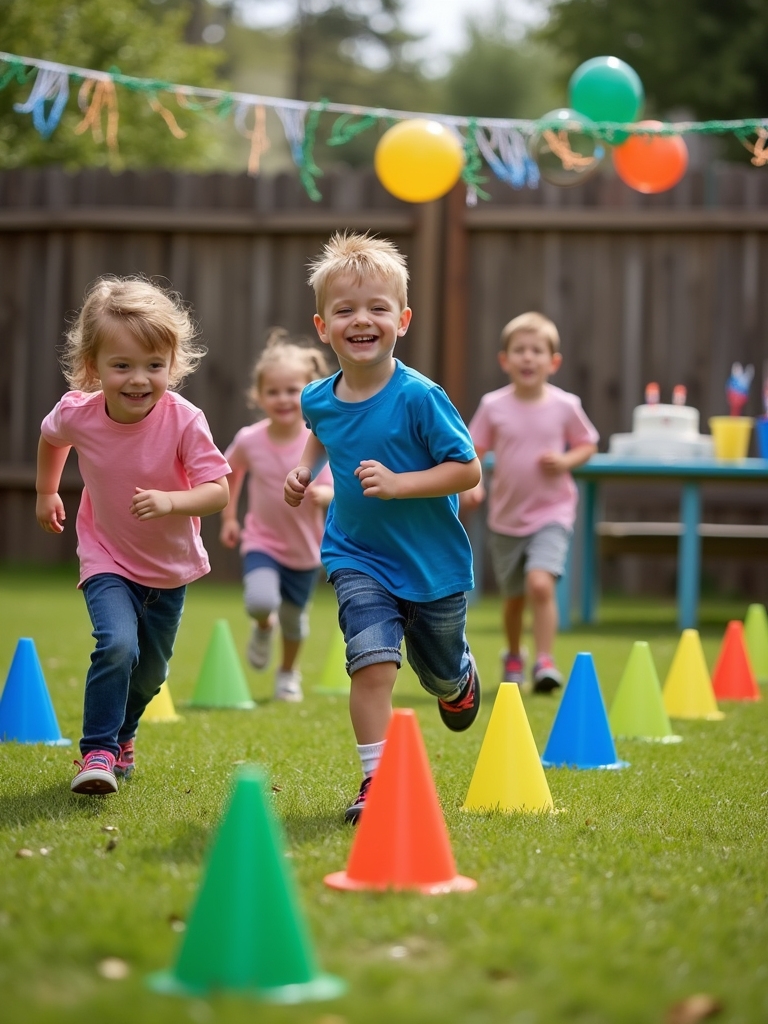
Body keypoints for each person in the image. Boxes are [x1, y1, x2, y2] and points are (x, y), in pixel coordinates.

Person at [284, 232, 482, 823]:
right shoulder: (317, 397)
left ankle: (457, 680)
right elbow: (323, 432)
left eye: (377, 308)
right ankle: (378, 781)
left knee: (438, 669)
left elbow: (467, 470)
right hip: (356, 555)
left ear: (403, 318)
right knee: (370, 663)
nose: (361, 319)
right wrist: (303, 469)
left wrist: (400, 483)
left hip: (432, 565)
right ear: (323, 327)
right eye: (345, 310)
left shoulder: (421, 397)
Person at [36, 276, 230, 795]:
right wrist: (46, 492)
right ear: (93, 366)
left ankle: (124, 734)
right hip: (107, 556)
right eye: (122, 366)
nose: (138, 379)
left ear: (173, 364)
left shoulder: (185, 420)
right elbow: (51, 437)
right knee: (117, 645)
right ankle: (96, 751)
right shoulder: (78, 412)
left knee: (150, 674)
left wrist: (172, 501)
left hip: (170, 567)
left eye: (154, 366)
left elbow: (217, 492)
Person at [464, 311, 598, 693]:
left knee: (540, 584)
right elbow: (473, 450)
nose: (528, 358)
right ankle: (513, 654)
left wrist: (567, 461)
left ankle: (544, 660)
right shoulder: (493, 406)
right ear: (504, 360)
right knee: (514, 597)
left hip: (552, 512)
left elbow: (588, 442)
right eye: (519, 351)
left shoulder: (565, 405)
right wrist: (471, 485)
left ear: (553, 362)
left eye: (537, 351)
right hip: (506, 517)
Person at [219, 330, 333, 702]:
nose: (283, 399)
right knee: (260, 602)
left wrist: (325, 494)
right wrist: (230, 518)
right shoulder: (250, 439)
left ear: (309, 391)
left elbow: (341, 486)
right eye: (273, 391)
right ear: (259, 396)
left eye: (292, 390)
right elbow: (229, 471)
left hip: (305, 549)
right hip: (262, 540)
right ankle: (262, 627)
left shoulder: (319, 441)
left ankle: (287, 673)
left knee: (295, 622)